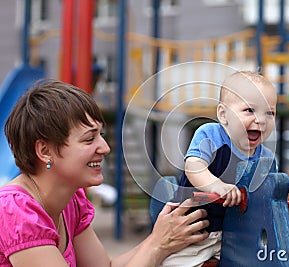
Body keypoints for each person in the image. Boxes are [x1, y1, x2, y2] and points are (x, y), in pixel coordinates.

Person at [0, 79, 209, 267]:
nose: (105, 148)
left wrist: (164, 236)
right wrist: (158, 245)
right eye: (89, 139)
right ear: (45, 151)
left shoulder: (71, 201)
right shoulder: (15, 211)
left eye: (101, 135)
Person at [161, 71, 289, 267]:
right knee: (171, 264)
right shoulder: (210, 135)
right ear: (223, 115)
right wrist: (216, 185)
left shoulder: (265, 157)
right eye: (250, 110)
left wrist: (280, 193)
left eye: (269, 113)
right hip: (195, 230)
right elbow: (194, 166)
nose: (261, 120)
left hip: (237, 234)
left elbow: (269, 186)